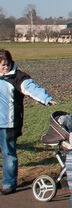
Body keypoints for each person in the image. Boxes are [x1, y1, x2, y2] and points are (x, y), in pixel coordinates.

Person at [0, 49, 56, 194]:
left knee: (9, 154)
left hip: (9, 124)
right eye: (1, 65)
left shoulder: (18, 77)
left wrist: (46, 99)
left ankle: (8, 183)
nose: (4, 68)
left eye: (6, 64)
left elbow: (32, 88)